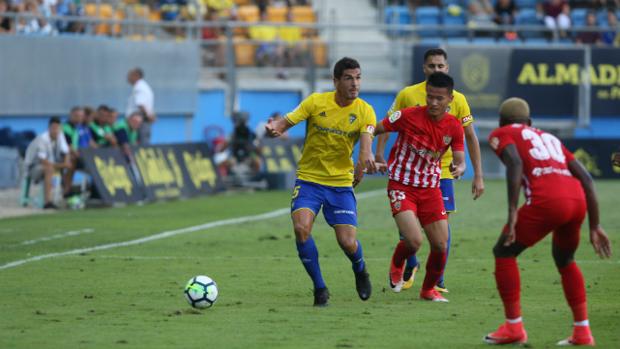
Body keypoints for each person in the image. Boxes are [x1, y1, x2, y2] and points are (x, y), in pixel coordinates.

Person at [483, 97, 611, 345]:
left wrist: (512, 213)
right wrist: (595, 225)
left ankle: (513, 328)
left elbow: (516, 162)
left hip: (548, 202)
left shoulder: (501, 132)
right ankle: (583, 331)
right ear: (529, 122)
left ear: (501, 121)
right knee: (565, 260)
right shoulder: (550, 138)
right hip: (577, 202)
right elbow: (586, 179)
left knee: (503, 252)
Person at [264, 57, 376, 307]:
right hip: (309, 180)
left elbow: (366, 144)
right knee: (302, 229)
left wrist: (364, 161)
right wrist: (274, 128)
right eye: (348, 78)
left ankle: (360, 269)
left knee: (347, 242)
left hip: (340, 183)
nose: (354, 83)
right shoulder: (316, 102)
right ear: (335, 81)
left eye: (358, 77)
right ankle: (320, 288)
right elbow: (284, 123)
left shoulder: (365, 110)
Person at [375, 48, 485, 293]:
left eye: (441, 66)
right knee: (412, 233)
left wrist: (472, 171)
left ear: (446, 68)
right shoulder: (408, 97)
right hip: (404, 175)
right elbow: (386, 124)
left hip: (439, 174)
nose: (436, 69)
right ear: (424, 69)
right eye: (432, 66)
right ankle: (408, 261)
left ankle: (436, 281)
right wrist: (377, 155)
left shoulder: (458, 100)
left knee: (441, 234)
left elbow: (468, 137)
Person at [23, 116, 72, 209]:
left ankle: (67, 194)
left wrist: (66, 162)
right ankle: (47, 202)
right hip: (32, 168)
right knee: (49, 169)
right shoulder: (42, 139)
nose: (55, 131)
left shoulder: (60, 135)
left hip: (51, 165)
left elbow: (66, 151)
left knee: (70, 163)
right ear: (49, 128)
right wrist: (63, 165)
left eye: (57, 128)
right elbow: (44, 161)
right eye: (53, 128)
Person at [126, 67, 155, 145]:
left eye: (130, 75)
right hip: (141, 119)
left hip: (140, 120)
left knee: (142, 144)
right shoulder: (142, 86)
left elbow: (141, 104)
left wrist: (147, 116)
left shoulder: (140, 87)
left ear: (136, 75)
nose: (127, 78)